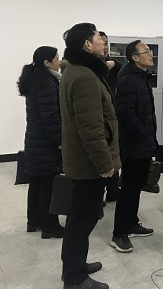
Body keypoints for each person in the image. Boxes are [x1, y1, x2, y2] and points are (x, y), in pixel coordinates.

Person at [60, 23, 121, 289]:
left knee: (81, 218)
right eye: (99, 38)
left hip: (83, 160)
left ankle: (75, 266)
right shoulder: (84, 76)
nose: (103, 43)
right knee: (82, 220)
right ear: (87, 44)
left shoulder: (77, 71)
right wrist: (105, 165)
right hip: (89, 165)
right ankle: (74, 278)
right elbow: (91, 129)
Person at [110, 40, 157, 253]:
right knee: (129, 187)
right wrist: (142, 133)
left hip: (142, 141)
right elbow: (125, 113)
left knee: (136, 185)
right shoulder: (128, 79)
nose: (151, 54)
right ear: (135, 57)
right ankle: (119, 233)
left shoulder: (140, 76)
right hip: (133, 143)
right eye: (146, 51)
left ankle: (131, 223)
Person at [17, 46, 64, 239]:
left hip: (35, 139)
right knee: (48, 184)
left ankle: (34, 221)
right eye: (56, 58)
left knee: (36, 182)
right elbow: (51, 118)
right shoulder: (47, 83)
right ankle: (50, 227)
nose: (59, 61)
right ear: (46, 62)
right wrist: (61, 141)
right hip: (46, 142)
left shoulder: (35, 78)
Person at [99, 31, 122, 203]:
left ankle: (113, 190)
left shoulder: (112, 64)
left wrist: (114, 64)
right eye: (101, 42)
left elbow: (124, 68)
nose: (105, 46)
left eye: (106, 42)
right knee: (101, 157)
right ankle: (99, 194)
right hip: (98, 117)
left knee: (114, 153)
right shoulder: (89, 68)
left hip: (112, 114)